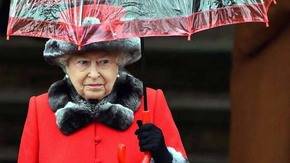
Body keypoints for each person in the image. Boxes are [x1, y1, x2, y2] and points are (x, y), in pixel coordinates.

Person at [18, 37, 188, 163]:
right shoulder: (40, 108)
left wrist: (163, 155)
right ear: (66, 66)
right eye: (83, 62)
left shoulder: (151, 101)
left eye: (104, 62)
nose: (94, 74)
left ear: (118, 64)